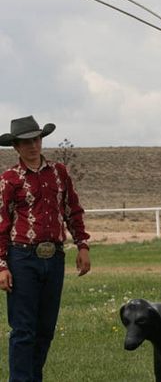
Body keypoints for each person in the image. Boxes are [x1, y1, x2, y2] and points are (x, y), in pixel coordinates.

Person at [0, 115, 91, 382]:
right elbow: (2, 223)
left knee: (45, 329)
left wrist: (82, 244)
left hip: (54, 257)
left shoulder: (59, 172)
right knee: (23, 330)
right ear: (16, 146)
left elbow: (72, 210)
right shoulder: (9, 180)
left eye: (36, 139)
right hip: (22, 256)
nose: (32, 146)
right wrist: (2, 265)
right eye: (25, 142)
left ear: (42, 140)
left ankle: (33, 378)